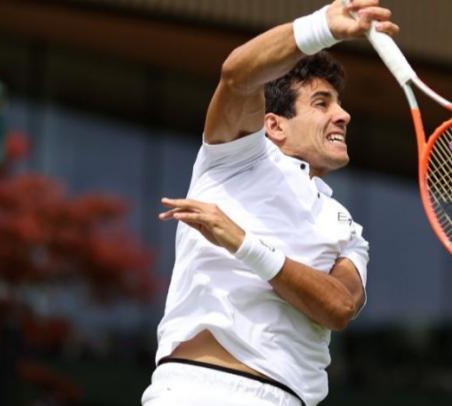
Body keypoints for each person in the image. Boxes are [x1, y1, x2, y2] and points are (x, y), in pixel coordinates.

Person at [142, 1, 398, 405]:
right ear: (273, 125)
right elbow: (236, 76)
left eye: (339, 103)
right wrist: (320, 27)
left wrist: (246, 245)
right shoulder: (238, 159)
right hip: (198, 390)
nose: (343, 115)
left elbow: (339, 306)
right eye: (322, 102)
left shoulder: (346, 227)